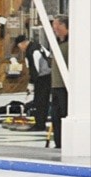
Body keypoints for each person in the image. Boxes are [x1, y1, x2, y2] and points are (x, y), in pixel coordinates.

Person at [13, 34, 51, 132]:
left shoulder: (32, 51)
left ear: (22, 44)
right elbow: (48, 56)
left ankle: (40, 124)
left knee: (40, 101)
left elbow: (35, 69)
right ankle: (40, 122)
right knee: (42, 101)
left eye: (19, 47)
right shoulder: (37, 46)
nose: (20, 49)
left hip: (43, 78)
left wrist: (32, 83)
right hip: (47, 76)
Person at [50, 14, 68, 149]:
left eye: (56, 25)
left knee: (63, 114)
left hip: (65, 87)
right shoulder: (58, 44)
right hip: (56, 86)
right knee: (55, 116)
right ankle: (58, 142)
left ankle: (65, 142)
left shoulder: (71, 45)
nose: (54, 28)